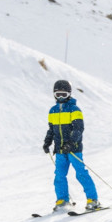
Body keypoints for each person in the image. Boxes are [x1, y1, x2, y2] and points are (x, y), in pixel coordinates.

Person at [42, 80, 100, 211]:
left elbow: (79, 128)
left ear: (69, 94)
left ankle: (93, 199)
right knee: (59, 176)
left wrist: (71, 143)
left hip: (74, 149)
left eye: (63, 94)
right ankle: (62, 200)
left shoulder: (74, 110)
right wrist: (47, 142)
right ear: (54, 95)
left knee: (80, 173)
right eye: (58, 94)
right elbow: (51, 129)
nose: (61, 97)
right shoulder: (53, 111)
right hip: (60, 150)